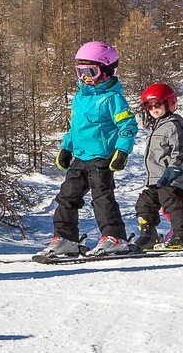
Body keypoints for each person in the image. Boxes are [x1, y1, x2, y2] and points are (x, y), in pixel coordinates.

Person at [37, 40, 137, 261]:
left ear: (107, 70)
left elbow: (127, 127)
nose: (85, 77)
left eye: (90, 71)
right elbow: (75, 128)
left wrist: (122, 151)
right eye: (80, 71)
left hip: (101, 158)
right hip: (80, 157)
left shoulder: (113, 98)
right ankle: (65, 239)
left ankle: (114, 237)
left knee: (102, 198)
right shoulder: (80, 98)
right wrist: (66, 147)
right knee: (66, 198)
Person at [132, 82, 183, 250]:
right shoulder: (159, 125)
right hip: (158, 178)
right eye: (149, 106)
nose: (154, 109)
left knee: (171, 200)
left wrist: (175, 167)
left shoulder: (175, 124)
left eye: (158, 104)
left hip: (173, 177)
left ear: (170, 103)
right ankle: (149, 234)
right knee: (145, 202)